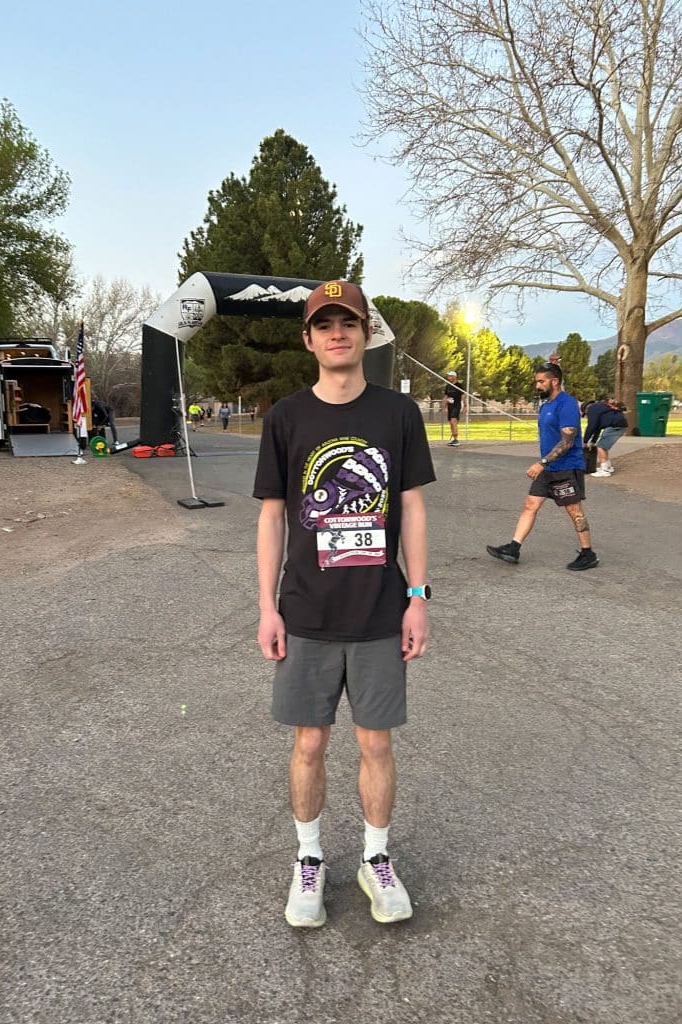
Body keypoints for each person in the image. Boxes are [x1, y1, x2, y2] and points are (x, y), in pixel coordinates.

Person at [254, 280, 435, 929]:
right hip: (304, 612)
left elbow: (411, 507)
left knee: (375, 743)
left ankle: (375, 859)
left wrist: (417, 596)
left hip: (381, 612)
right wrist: (267, 607)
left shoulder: (397, 416)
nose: (338, 332)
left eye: (349, 322)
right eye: (324, 323)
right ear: (308, 339)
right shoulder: (286, 418)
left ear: (364, 333)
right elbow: (273, 519)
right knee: (309, 742)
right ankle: (309, 861)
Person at [486, 363, 599, 571]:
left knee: (574, 510)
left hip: (565, 467)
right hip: (548, 468)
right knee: (531, 504)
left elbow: (567, 442)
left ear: (554, 382)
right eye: (536, 381)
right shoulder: (546, 405)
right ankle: (513, 548)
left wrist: (542, 462)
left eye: (541, 381)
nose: (537, 385)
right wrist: (545, 464)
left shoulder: (567, 404)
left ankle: (588, 553)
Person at [584, 397, 628, 477]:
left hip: (614, 426)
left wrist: (585, 441)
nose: (587, 416)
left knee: (601, 447)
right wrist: (593, 441)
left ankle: (604, 471)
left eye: (586, 414)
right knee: (604, 447)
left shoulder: (592, 409)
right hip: (619, 424)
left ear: (586, 409)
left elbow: (591, 426)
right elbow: (597, 428)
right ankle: (608, 467)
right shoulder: (601, 406)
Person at [443, 370, 465, 445]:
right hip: (450, 406)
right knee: (450, 422)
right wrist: (445, 407)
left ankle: (456, 439)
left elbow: (463, 395)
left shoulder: (459, 385)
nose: (449, 377)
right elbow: (446, 397)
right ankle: (453, 439)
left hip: (456, 405)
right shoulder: (448, 386)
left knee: (453, 421)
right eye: (448, 376)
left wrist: (464, 405)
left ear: (454, 377)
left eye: (450, 376)